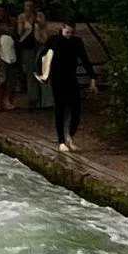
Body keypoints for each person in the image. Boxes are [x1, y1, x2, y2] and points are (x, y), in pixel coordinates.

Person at [39, 16, 98, 152]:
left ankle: (70, 136)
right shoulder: (54, 40)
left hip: (71, 77)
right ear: (62, 29)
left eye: (72, 33)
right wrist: (42, 74)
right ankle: (61, 141)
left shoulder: (77, 42)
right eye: (67, 32)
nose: (69, 35)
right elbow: (43, 56)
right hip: (57, 78)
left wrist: (92, 77)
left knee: (76, 110)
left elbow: (84, 59)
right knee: (59, 109)